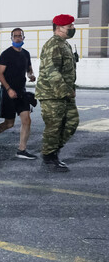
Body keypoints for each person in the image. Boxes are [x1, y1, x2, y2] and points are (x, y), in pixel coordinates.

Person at [0, 28, 37, 160]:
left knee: (27, 120)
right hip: (8, 92)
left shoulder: (26, 54)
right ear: (11, 38)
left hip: (21, 93)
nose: (18, 38)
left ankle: (22, 150)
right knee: (9, 123)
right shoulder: (6, 54)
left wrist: (31, 75)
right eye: (15, 36)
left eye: (20, 36)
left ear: (24, 38)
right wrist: (8, 89)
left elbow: (29, 69)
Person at [35, 14, 79, 172]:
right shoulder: (54, 45)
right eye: (70, 27)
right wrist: (65, 91)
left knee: (72, 122)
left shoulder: (64, 44)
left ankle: (53, 150)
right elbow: (52, 72)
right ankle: (49, 156)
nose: (73, 29)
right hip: (51, 94)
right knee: (54, 126)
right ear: (60, 28)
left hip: (65, 93)